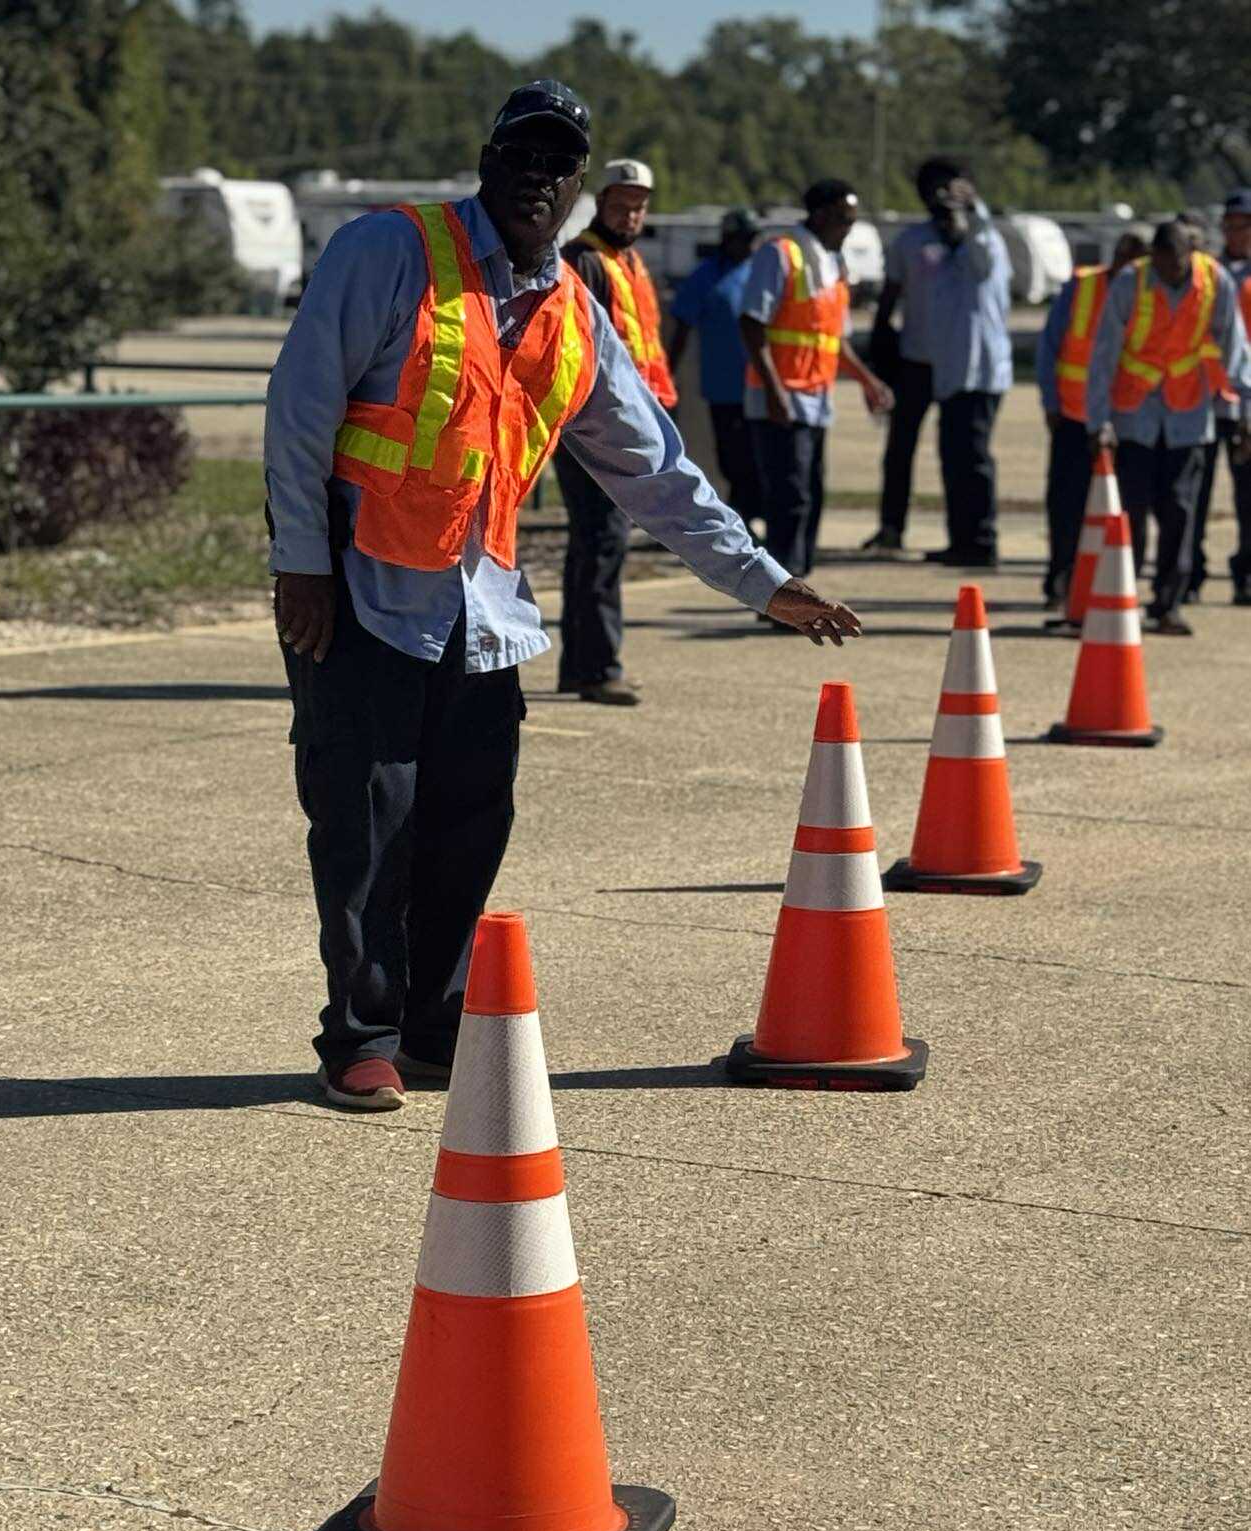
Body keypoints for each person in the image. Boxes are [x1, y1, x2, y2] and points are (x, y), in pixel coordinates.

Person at [265, 80, 861, 1111]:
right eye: (523, 156)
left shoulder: (575, 313)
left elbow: (655, 473)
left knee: (469, 822)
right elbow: (301, 410)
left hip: (484, 610)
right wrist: (301, 564)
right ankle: (357, 1035)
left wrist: (763, 583)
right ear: (488, 160)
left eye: (559, 163)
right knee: (365, 824)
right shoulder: (386, 252)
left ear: (582, 186)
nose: (538, 178)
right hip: (364, 594)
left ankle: (430, 1024)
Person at [1086, 219, 1251, 636]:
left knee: (1180, 511)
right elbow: (1104, 354)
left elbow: (1235, 350)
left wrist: (1244, 411)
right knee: (1133, 513)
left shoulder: (1215, 282)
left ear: (1188, 256)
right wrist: (1098, 420)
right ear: (1153, 258)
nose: (1169, 273)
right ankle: (1124, 596)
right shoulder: (1130, 283)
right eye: (1161, 264)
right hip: (1135, 415)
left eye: (1176, 264)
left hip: (1188, 415)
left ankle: (1168, 602)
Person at [553, 158, 676, 707]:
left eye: (639, 205)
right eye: (622, 204)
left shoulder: (629, 261)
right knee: (600, 541)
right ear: (601, 202)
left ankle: (585, 664)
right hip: (595, 428)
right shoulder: (583, 259)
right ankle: (595, 666)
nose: (631, 214)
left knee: (601, 544)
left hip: (630, 423)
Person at [738, 179, 892, 597]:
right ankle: (778, 597)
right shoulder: (782, 254)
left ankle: (799, 588)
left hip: (816, 401)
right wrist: (773, 391)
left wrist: (868, 381)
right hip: (781, 399)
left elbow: (833, 341)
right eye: (844, 219)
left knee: (810, 497)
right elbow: (753, 323)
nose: (848, 228)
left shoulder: (833, 263)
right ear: (820, 214)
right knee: (789, 502)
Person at [864, 158, 1012, 567]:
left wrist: (970, 215)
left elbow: (981, 267)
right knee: (915, 449)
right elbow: (891, 296)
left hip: (971, 366)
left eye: (953, 190)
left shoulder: (983, 242)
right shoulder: (912, 241)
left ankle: (979, 538)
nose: (944, 200)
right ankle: (899, 527)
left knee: (970, 453)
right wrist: (881, 343)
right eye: (935, 191)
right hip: (919, 358)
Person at [1036, 228, 1149, 608]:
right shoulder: (1082, 287)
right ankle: (1059, 580)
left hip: (1126, 422)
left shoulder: (1151, 297)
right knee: (1066, 505)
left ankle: (1114, 585)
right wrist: (1050, 402)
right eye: (1122, 255)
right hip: (1073, 416)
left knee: (1124, 509)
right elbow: (1049, 347)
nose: (1126, 266)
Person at [666, 207, 764, 534]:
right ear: (727, 239)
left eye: (752, 239)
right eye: (742, 239)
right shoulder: (707, 276)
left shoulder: (760, 271)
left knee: (759, 457)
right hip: (723, 386)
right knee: (732, 459)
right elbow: (682, 325)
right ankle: (743, 518)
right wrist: (667, 375)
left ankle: (753, 516)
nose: (748, 245)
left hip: (762, 385)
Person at [1189, 188, 1251, 606]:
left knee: (1248, 497)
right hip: (1203, 397)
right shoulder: (1206, 272)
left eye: (1240, 226)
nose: (1232, 233)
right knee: (1194, 493)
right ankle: (1188, 574)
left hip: (1246, 399)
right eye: (1227, 226)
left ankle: (1245, 575)